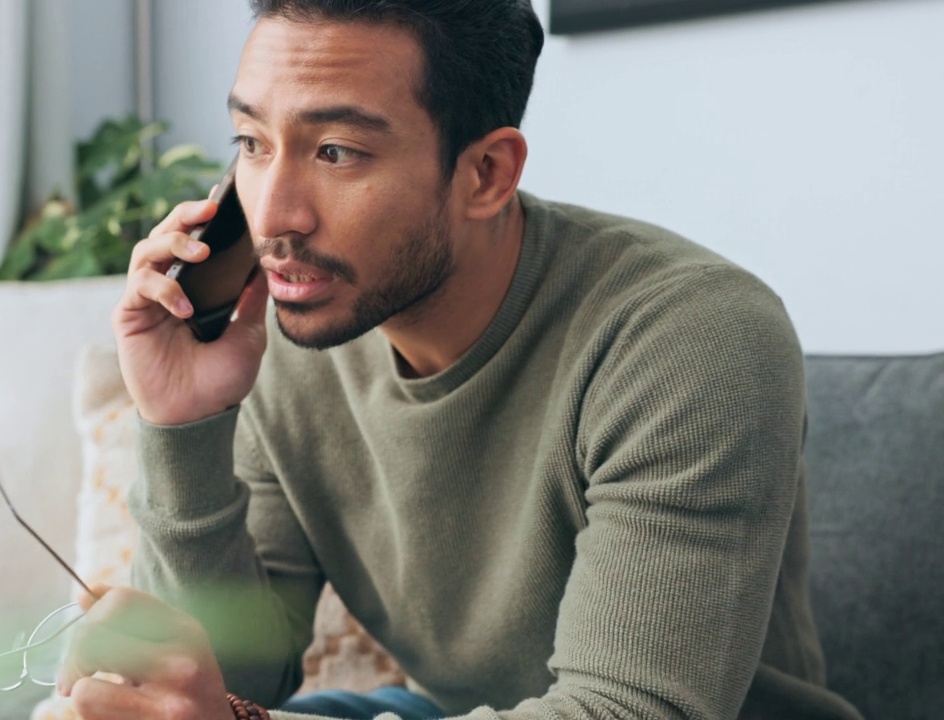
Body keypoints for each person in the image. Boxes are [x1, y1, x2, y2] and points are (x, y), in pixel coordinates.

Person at [54, 1, 863, 718]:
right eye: (253, 143)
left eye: (335, 151)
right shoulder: (297, 328)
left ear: (485, 173)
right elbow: (236, 680)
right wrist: (184, 424)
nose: (273, 216)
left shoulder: (689, 338)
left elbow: (630, 710)